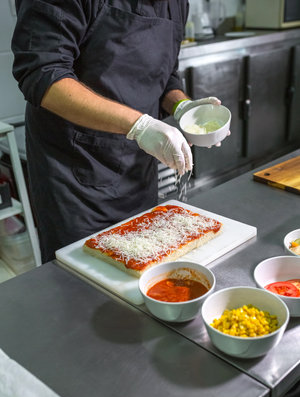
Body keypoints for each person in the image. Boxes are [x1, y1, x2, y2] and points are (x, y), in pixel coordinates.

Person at [11, 0, 222, 263]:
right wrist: (140, 125)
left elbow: (166, 74)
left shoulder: (176, 3)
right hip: (75, 173)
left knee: (142, 262)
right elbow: (42, 73)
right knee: (83, 275)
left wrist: (182, 106)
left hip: (137, 168)